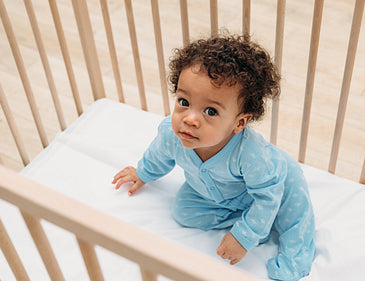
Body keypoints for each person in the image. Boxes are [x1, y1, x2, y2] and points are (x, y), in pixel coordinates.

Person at [112, 34, 315, 281]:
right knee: (183, 212)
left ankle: (291, 259)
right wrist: (142, 173)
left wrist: (244, 236)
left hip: (276, 185)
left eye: (210, 111)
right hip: (218, 195)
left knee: (294, 220)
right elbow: (158, 156)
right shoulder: (171, 134)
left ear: (239, 123)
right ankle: (253, 219)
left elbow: (266, 197)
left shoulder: (252, 156)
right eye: (183, 101)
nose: (189, 118)